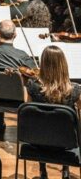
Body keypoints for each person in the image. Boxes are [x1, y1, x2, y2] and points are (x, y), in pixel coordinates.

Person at [24, 46, 81, 179]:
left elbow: (27, 114)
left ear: (43, 65)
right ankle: (65, 168)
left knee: (43, 125)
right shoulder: (75, 91)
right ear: (63, 66)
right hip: (66, 144)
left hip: (37, 142)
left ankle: (42, 169)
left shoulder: (32, 87)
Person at [0, 20, 37, 137]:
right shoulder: (22, 55)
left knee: (1, 82)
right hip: (17, 98)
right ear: (15, 35)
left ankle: (0, 119)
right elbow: (34, 72)